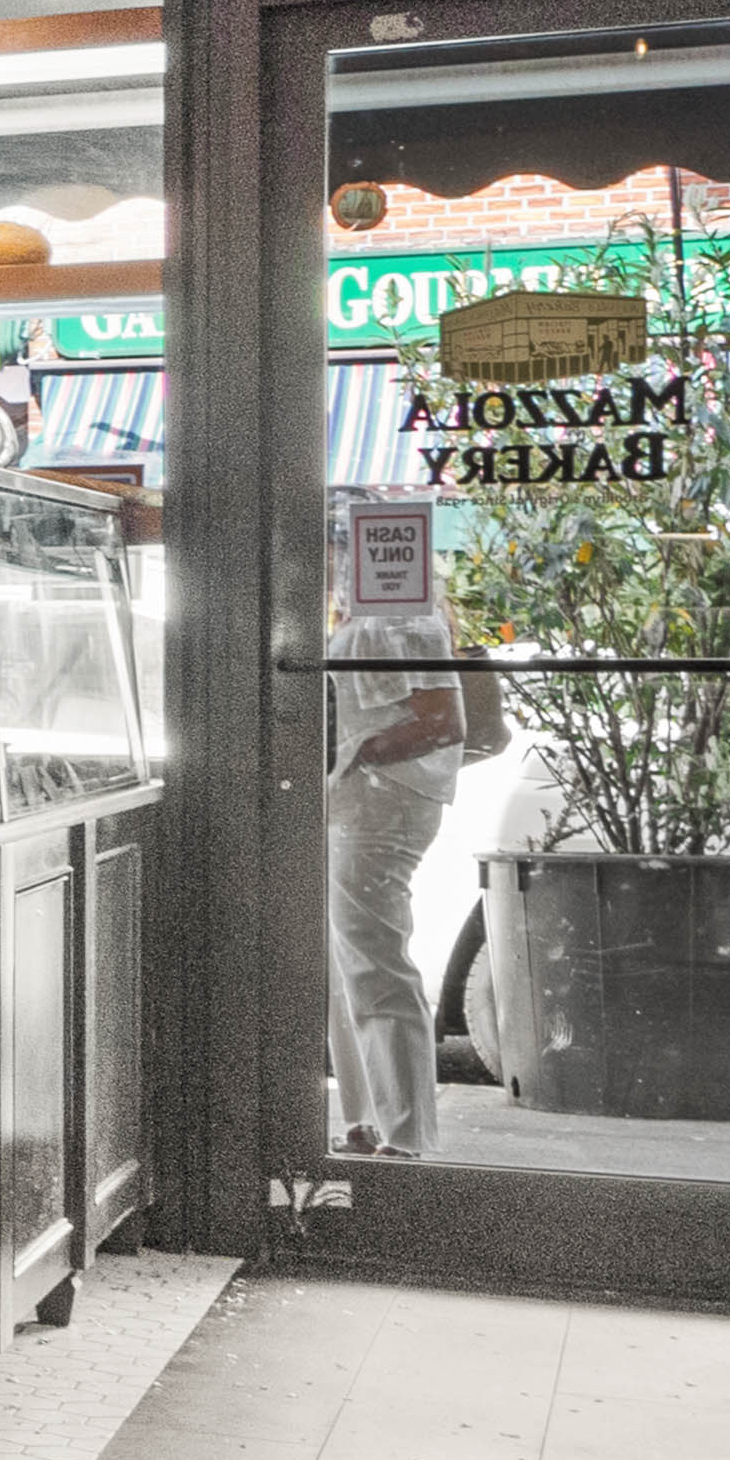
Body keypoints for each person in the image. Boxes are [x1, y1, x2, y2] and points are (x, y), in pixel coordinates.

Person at [323, 495, 492, 1156]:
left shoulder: (402, 614)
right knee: (350, 961)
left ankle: (403, 1134)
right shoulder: (378, 610)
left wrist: (356, 757)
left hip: (382, 800)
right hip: (362, 798)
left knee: (372, 957)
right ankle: (369, 1120)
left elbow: (442, 721)